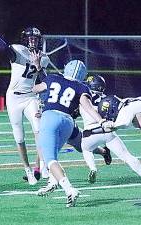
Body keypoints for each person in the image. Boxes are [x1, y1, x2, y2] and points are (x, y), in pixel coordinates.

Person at [0, 13, 49, 185]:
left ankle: (41, 167)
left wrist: (39, 65)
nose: (33, 41)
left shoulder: (44, 58)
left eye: (35, 39)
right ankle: (28, 169)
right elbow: (4, 49)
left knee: (40, 131)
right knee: (19, 137)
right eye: (30, 38)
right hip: (13, 98)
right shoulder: (18, 50)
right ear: (25, 40)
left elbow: (46, 81)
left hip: (31, 97)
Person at [32, 60, 105, 207]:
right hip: (68, 122)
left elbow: (36, 89)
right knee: (52, 156)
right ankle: (53, 182)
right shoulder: (82, 86)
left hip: (50, 117)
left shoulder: (53, 78)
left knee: (50, 158)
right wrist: (102, 121)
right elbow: (88, 108)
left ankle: (69, 189)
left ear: (66, 69)